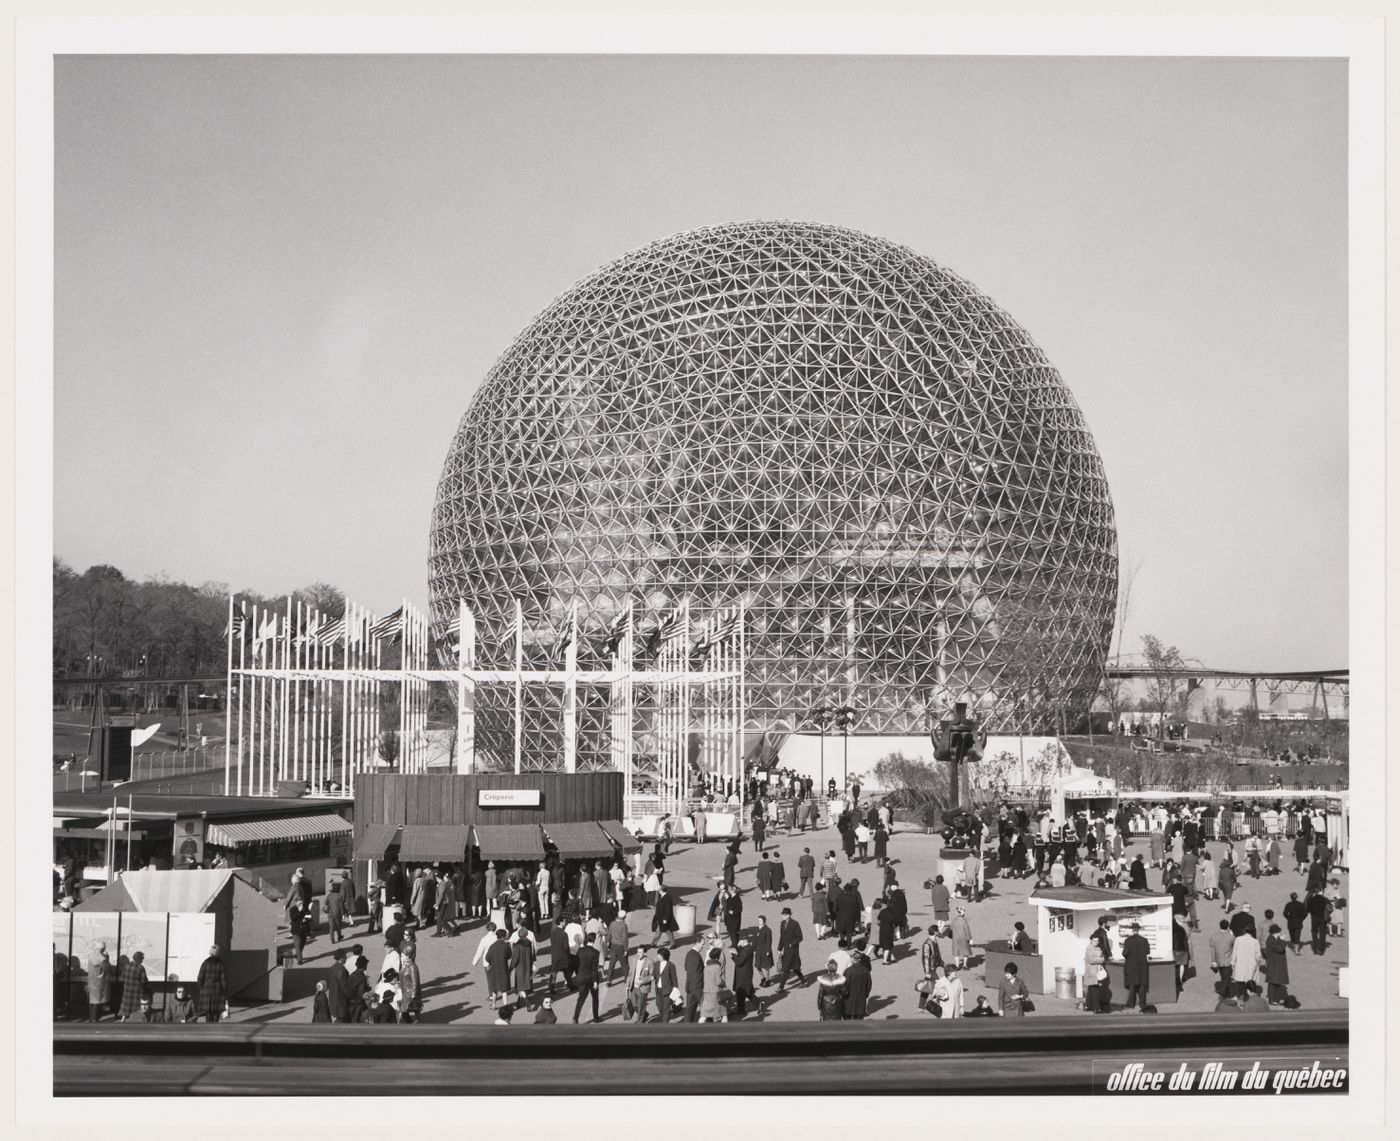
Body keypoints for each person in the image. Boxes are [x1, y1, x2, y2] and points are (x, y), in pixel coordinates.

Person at [1121, 922, 1151, 1012]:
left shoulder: (1128, 940)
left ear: (1132, 930)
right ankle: (1142, 1003)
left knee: (1132, 985)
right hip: (1142, 965)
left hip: (1131, 965)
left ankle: (1131, 1003)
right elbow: (1148, 951)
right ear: (1138, 929)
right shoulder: (1144, 940)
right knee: (1142, 984)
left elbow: (1124, 953)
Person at [572, 933, 602, 1023]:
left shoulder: (580, 950)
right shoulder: (595, 952)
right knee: (595, 999)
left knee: (581, 998)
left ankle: (575, 1017)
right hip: (591, 979)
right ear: (594, 940)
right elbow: (594, 968)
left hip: (581, 977)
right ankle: (596, 1018)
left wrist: (578, 974)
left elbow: (576, 964)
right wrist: (596, 981)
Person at [1230, 923, 1262, 1001]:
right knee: (1249, 979)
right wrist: (1258, 963)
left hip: (1240, 962)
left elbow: (1235, 952)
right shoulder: (1255, 941)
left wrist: (1232, 962)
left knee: (1240, 980)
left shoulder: (1238, 939)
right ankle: (1248, 995)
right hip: (1251, 963)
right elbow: (1258, 954)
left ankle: (1241, 994)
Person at [730, 935, 758, 1019]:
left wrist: (734, 955)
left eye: (739, 941)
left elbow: (739, 961)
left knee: (742, 992)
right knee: (745, 992)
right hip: (744, 974)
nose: (738, 943)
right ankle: (742, 1009)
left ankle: (741, 1011)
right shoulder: (747, 948)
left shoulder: (746, 950)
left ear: (743, 941)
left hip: (743, 975)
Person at [843, 942, 873, 1019]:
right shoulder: (866, 967)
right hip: (862, 986)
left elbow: (844, 984)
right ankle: (864, 1011)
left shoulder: (848, 971)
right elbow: (869, 983)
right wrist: (867, 992)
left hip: (851, 993)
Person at [117, 951, 150, 1021]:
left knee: (126, 1005)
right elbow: (144, 981)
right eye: (142, 959)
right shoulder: (140, 968)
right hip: (137, 991)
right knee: (136, 1006)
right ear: (139, 959)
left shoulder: (127, 966)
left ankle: (123, 1019)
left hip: (127, 990)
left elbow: (122, 976)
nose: (142, 960)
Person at [484, 927, 511, 1009]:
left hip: (494, 970)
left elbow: (487, 958)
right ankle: (506, 1005)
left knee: (494, 989)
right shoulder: (506, 946)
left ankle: (494, 1005)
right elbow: (509, 956)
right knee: (504, 990)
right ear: (503, 937)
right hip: (503, 969)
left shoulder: (492, 946)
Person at [1263, 924, 1290, 1005]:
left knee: (1276, 982)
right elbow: (1280, 949)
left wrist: (1280, 940)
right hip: (1274, 964)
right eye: (1279, 932)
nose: (1280, 933)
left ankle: (1276, 999)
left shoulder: (1273, 938)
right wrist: (1282, 941)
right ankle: (1273, 999)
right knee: (1273, 982)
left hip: (1276, 964)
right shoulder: (1271, 940)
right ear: (1275, 932)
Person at [628, 944, 655, 1023]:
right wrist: (628, 984)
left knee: (641, 1006)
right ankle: (644, 1014)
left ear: (645, 953)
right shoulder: (633, 960)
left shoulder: (649, 962)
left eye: (640, 952)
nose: (638, 954)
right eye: (637, 952)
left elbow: (652, 976)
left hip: (643, 987)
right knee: (634, 1004)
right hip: (633, 986)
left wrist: (642, 981)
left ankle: (640, 1022)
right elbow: (630, 973)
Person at [1209, 919, 1235, 999]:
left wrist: (1213, 961)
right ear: (1228, 927)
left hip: (1218, 960)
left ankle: (1229, 993)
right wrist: (1232, 934)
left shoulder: (1213, 936)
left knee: (1224, 977)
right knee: (1226, 978)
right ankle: (1223, 993)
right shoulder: (1231, 937)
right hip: (1227, 960)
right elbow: (1236, 945)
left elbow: (1212, 949)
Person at [833, 879, 863, 947]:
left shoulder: (839, 896)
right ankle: (848, 945)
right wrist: (858, 919)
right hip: (850, 917)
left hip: (841, 917)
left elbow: (835, 908)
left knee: (842, 932)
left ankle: (842, 944)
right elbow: (856, 910)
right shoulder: (853, 898)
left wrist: (838, 914)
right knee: (849, 933)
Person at [700, 947, 726, 1023]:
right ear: (718, 957)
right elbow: (718, 981)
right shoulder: (717, 967)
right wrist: (723, 982)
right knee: (717, 1014)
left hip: (706, 991)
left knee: (705, 1013)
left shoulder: (706, 967)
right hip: (715, 992)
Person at [398, 941, 422, 1023]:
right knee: (406, 1008)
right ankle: (407, 1020)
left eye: (403, 954)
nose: (401, 955)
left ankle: (416, 1021)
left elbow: (415, 981)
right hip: (405, 991)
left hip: (409, 992)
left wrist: (413, 994)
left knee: (414, 1008)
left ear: (408, 955)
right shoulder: (404, 964)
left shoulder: (412, 967)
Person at [653, 947, 678, 1023]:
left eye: (659, 955)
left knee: (666, 1008)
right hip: (658, 989)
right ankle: (666, 1016)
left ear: (664, 956)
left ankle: (665, 1023)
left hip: (667, 990)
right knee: (659, 1005)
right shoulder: (657, 964)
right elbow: (654, 975)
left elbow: (674, 978)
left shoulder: (671, 965)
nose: (658, 956)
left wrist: (675, 989)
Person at [683, 943, 706, 1021]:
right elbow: (697, 973)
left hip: (689, 986)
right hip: (697, 987)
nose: (703, 946)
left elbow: (686, 967)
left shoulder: (689, 954)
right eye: (702, 944)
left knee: (689, 1011)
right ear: (698, 943)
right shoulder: (697, 956)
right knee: (706, 1009)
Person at [1306, 889, 1331, 956]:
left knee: (1314, 932)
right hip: (1323, 918)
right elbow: (1331, 908)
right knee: (1322, 934)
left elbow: (1308, 909)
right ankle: (1321, 950)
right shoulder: (1325, 899)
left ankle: (1315, 949)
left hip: (1314, 918)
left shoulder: (1311, 899)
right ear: (1321, 892)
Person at [434, 871, 458, 937]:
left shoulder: (446, 884)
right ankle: (453, 927)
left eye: (445, 876)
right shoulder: (449, 883)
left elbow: (441, 894)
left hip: (446, 902)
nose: (444, 877)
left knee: (443, 918)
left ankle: (448, 930)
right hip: (449, 902)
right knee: (446, 917)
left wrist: (437, 904)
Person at [754, 914, 776, 986]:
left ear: (764, 921)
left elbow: (769, 941)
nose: (759, 921)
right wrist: (754, 949)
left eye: (760, 920)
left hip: (765, 950)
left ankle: (767, 979)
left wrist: (768, 951)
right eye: (759, 920)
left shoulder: (767, 930)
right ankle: (762, 977)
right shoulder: (757, 929)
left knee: (766, 966)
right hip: (758, 950)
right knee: (758, 966)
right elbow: (755, 940)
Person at [324, 879, 345, 944]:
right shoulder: (339, 896)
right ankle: (339, 937)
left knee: (331, 927)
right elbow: (341, 906)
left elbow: (325, 902)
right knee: (338, 926)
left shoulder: (329, 895)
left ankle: (332, 940)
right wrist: (343, 914)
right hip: (337, 913)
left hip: (330, 913)